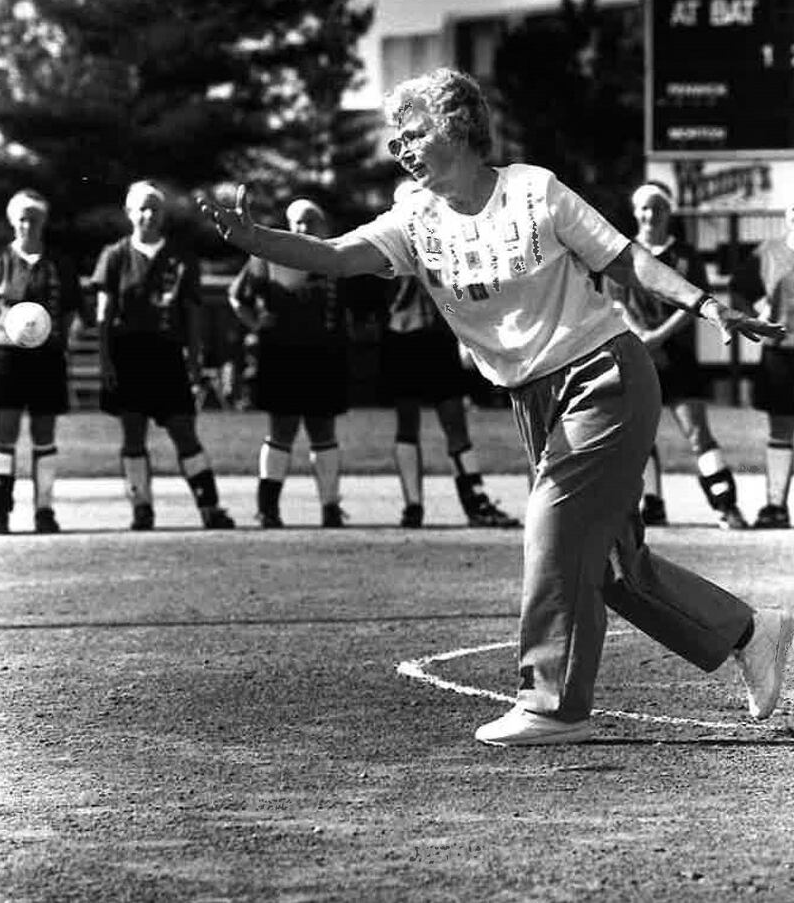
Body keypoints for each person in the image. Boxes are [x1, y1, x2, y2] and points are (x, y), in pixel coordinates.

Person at [197, 68, 791, 747]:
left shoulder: (534, 191)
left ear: (455, 127)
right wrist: (255, 238)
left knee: (554, 521)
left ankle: (553, 702)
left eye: (413, 134)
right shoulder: (414, 219)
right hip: (532, 397)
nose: (403, 149)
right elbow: (331, 255)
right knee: (615, 569)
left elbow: (626, 260)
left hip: (604, 376)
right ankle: (751, 631)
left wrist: (709, 304)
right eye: (397, 141)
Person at [603, 181, 746, 530]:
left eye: (658, 207)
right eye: (645, 208)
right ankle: (652, 503)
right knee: (640, 435)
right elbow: (616, 303)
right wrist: (642, 337)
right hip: (637, 355)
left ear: (669, 212)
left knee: (697, 432)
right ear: (636, 212)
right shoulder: (623, 253)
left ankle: (726, 506)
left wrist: (658, 337)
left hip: (678, 356)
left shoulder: (685, 255)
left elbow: (694, 302)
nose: (651, 214)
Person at [92, 180, 234, 531]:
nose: (148, 214)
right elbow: (104, 314)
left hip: (167, 353)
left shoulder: (181, 258)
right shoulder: (115, 256)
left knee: (184, 431)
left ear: (163, 214)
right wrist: (105, 360)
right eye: (141, 208)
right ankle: (141, 507)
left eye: (154, 207)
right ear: (129, 213)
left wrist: (195, 358)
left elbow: (193, 314)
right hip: (128, 354)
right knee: (133, 434)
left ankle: (209, 507)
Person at [382, 179, 519, 529]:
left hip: (439, 339)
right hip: (403, 340)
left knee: (454, 422)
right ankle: (413, 505)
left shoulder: (444, 242)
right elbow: (390, 303)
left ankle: (475, 501)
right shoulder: (389, 247)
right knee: (407, 423)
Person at [228, 198, 349, 529]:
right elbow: (238, 296)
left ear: (323, 226)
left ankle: (330, 506)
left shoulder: (336, 257)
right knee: (281, 429)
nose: (303, 228)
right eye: (297, 222)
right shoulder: (269, 255)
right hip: (281, 354)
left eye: (310, 221)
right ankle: (267, 508)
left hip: (323, 356)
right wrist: (255, 323)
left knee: (323, 430)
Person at [0, 190, 84, 534]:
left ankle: (44, 509)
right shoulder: (0, 262)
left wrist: (64, 338)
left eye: (33, 218)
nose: (27, 225)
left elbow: (73, 308)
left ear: (43, 222)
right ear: (12, 222)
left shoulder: (58, 264)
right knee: (4, 431)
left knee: (44, 432)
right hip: (5, 355)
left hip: (47, 356)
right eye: (21, 219)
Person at [730, 201, 794, 528]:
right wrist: (757, 314)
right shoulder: (767, 253)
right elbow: (737, 290)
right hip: (780, 350)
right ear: (787, 215)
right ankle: (776, 506)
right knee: (781, 428)